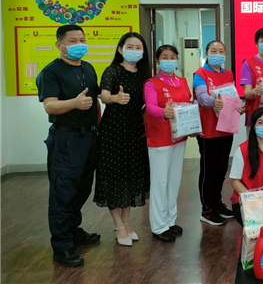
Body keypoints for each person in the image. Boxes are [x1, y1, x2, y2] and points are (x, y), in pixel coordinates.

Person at [37, 25, 101, 267]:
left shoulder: (88, 68)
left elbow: (94, 101)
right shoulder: (51, 72)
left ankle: (73, 231)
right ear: (59, 45)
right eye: (73, 41)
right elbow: (50, 106)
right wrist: (74, 103)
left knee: (82, 188)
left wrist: (99, 128)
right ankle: (62, 246)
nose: (79, 45)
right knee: (63, 192)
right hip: (66, 139)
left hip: (90, 137)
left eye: (82, 40)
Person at [94, 32, 151, 247]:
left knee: (131, 176)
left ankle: (126, 223)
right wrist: (115, 98)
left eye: (138, 47)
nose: (135, 51)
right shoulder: (112, 71)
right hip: (113, 130)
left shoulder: (144, 74)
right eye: (130, 47)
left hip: (135, 130)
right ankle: (118, 225)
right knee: (114, 176)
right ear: (120, 49)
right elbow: (104, 96)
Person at [144, 45, 194, 242]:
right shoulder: (151, 83)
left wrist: (193, 125)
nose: (169, 60)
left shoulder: (182, 81)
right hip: (160, 138)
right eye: (164, 57)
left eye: (172, 57)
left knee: (174, 180)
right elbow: (150, 107)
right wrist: (163, 112)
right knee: (160, 182)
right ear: (158, 61)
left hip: (179, 136)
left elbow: (188, 106)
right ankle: (159, 226)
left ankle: (170, 220)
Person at [193, 40, 244, 226]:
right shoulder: (200, 74)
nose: (218, 54)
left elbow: (232, 98)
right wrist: (212, 102)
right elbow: (202, 97)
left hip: (226, 128)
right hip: (208, 130)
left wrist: (238, 107)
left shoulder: (228, 74)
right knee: (209, 170)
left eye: (221, 51)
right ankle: (207, 209)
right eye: (213, 50)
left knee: (221, 169)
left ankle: (216, 203)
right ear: (207, 53)